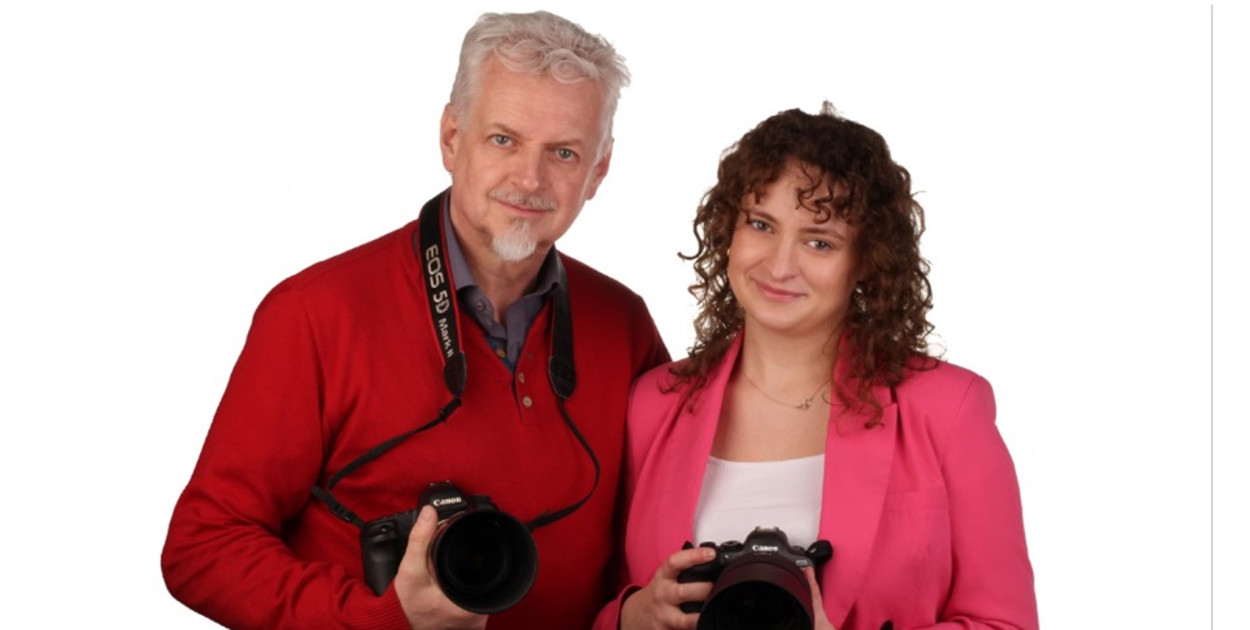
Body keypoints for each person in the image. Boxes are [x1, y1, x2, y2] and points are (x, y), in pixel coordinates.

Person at [162, 11, 669, 630]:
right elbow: (202, 547)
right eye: (503, 140)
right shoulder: (316, 312)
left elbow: (656, 531)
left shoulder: (624, 323)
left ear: (598, 171)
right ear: (452, 138)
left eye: (564, 152)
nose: (530, 179)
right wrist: (380, 618)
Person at [595, 104, 1037, 630]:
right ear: (729, 230)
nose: (779, 265)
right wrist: (629, 617)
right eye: (761, 224)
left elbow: (1006, 623)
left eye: (819, 241)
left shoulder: (948, 408)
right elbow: (598, 598)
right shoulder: (654, 403)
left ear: (866, 261)